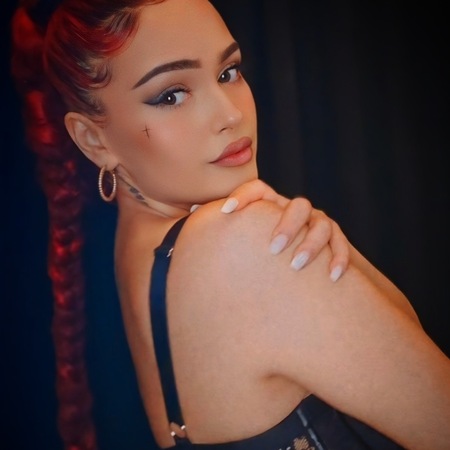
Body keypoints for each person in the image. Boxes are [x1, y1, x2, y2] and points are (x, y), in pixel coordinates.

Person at [10, 1, 450, 450]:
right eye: (171, 95)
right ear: (93, 140)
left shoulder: (139, 251)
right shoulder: (240, 245)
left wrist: (342, 256)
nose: (229, 115)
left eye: (228, 72)